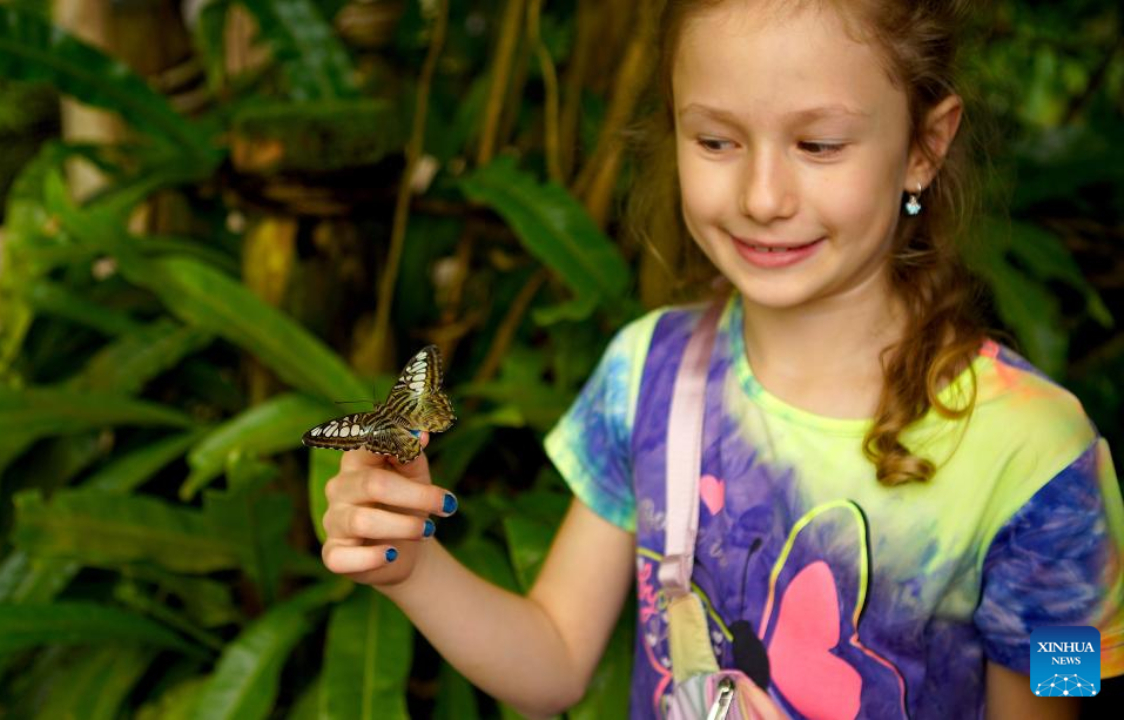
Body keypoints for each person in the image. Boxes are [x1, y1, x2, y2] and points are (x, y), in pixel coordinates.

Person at [318, 0, 1124, 717]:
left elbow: (1067, 693)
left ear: (925, 145)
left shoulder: (1044, 457)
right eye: (715, 140)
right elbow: (556, 660)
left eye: (818, 143)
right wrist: (409, 564)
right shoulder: (648, 375)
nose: (761, 197)